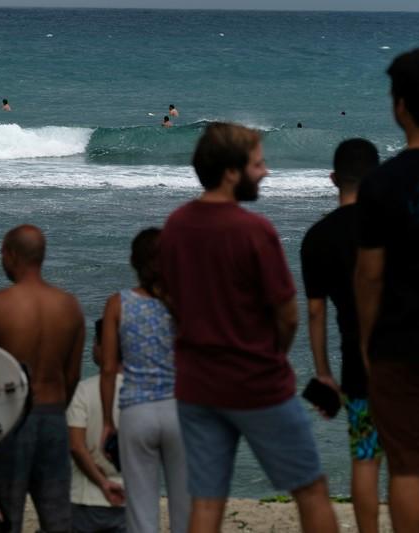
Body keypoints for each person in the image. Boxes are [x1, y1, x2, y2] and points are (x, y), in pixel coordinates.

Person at [160, 122, 339, 533]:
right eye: (258, 164)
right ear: (230, 172)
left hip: (196, 385)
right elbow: (288, 313)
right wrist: (272, 354)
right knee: (311, 490)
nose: (266, 172)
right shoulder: (253, 231)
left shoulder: (175, 226)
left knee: (206, 501)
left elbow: (170, 300)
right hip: (257, 383)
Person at [355, 48, 419, 533]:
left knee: (408, 468)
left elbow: (370, 275)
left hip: (403, 341)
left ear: (399, 106)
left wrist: (367, 342)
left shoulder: (381, 183)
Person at [0, 224, 85, 533]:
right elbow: (72, 375)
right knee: (56, 519)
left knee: (4, 520)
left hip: (9, 422)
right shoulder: (69, 307)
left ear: (12, 255)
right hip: (53, 417)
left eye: (1, 253)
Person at [301, 138, 381, 532]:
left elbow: (316, 311)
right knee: (410, 463)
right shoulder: (395, 226)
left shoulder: (317, 238)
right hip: (413, 357)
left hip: (356, 364)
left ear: (333, 179)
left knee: (366, 458)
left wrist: (323, 372)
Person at [100, 228, 189, 533]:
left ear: (133, 262)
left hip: (137, 411)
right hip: (181, 410)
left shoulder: (118, 303)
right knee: (186, 510)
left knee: (140, 512)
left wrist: (106, 422)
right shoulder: (185, 304)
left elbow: (109, 368)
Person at [67, 319, 126, 533]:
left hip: (85, 498)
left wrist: (101, 482)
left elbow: (76, 446)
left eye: (95, 342)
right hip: (130, 498)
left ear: (103, 348)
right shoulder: (143, 395)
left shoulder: (83, 391)